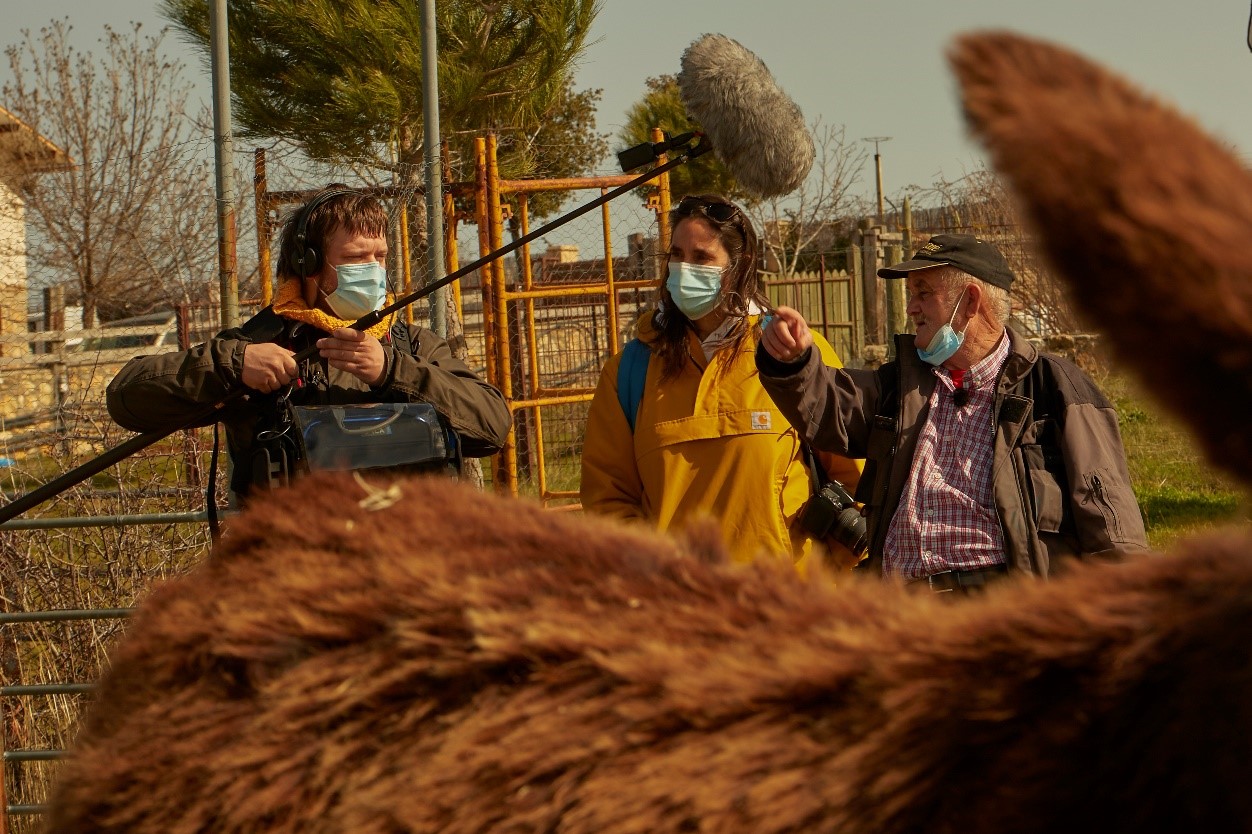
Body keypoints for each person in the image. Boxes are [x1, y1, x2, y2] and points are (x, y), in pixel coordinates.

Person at [756, 233, 1148, 592]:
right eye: (911, 294)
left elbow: (1108, 518)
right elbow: (832, 409)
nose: (910, 308)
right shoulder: (901, 385)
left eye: (923, 292)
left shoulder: (1053, 386)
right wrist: (794, 362)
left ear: (971, 302)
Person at [107, 186, 511, 500]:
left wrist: (393, 371)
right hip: (297, 574)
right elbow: (127, 398)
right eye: (356, 257)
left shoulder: (413, 347)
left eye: (380, 256)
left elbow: (492, 427)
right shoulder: (260, 344)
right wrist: (232, 363)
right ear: (308, 263)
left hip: (409, 567)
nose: (373, 271)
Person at [580, 193, 862, 566]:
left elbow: (858, 477)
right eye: (677, 256)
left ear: (738, 265)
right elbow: (607, 501)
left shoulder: (794, 353)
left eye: (702, 258)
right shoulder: (628, 373)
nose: (684, 269)